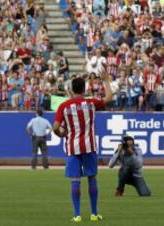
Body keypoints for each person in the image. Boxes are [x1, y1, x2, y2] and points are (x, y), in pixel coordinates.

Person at [53, 68, 113, 223]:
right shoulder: (91, 103)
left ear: (72, 89)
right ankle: (94, 214)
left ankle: (77, 215)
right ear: (84, 88)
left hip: (73, 148)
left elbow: (55, 127)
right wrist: (106, 80)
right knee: (92, 178)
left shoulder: (64, 106)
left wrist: (62, 134)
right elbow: (109, 97)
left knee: (75, 180)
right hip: (89, 146)